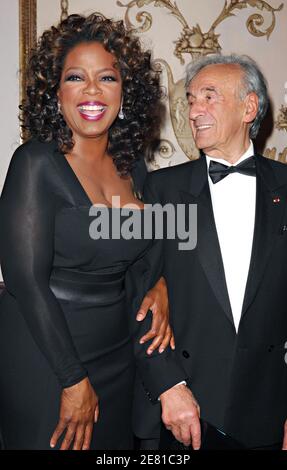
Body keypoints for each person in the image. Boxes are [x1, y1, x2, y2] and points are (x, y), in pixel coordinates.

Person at [0, 13, 185, 450]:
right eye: (75, 77)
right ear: (56, 91)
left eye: (106, 77)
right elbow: (26, 283)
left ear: (125, 92)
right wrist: (73, 378)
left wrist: (159, 282)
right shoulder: (35, 163)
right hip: (45, 354)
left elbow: (143, 255)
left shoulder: (134, 168)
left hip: (116, 350)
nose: (91, 90)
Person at [142, 53, 287, 450]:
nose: (194, 111)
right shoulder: (163, 191)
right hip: (187, 411)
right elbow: (137, 296)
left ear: (249, 107)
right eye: (190, 99)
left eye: (209, 96)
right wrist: (168, 386)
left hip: (268, 410)